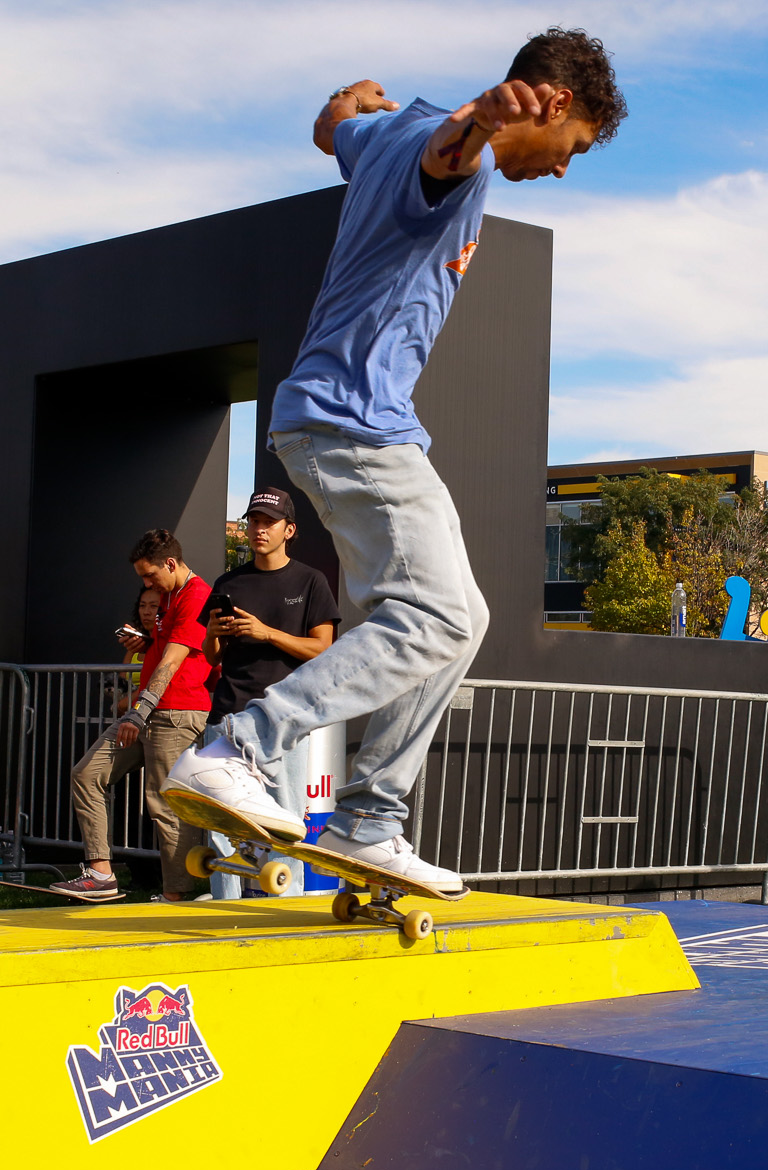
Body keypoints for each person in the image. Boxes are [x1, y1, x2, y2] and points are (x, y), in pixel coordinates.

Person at [160, 29, 623, 893]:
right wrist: (483, 119)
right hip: (357, 423)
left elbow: (331, 125)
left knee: (455, 619)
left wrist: (350, 102)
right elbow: (448, 158)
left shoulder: (384, 132)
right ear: (554, 104)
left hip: (345, 423)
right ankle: (236, 748)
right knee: (443, 616)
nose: (563, 168)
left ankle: (373, 822)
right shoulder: (460, 155)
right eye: (575, 148)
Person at [189, 489, 340, 896]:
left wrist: (267, 633)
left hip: (284, 720)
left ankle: (282, 911)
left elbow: (323, 649)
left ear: (288, 530)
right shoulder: (228, 582)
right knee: (223, 820)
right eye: (254, 521)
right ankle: (225, 910)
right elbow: (211, 654)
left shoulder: (310, 581)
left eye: (268, 522)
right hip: (228, 717)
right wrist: (215, 635)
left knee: (285, 819)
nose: (258, 529)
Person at [57, 530, 215, 901]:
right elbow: (167, 649)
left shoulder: (196, 596)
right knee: (87, 773)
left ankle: (179, 894)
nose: (146, 585)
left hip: (176, 711)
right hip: (151, 710)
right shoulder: (170, 595)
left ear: (171, 564)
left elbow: (174, 661)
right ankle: (100, 875)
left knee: (165, 803)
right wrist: (147, 643)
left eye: (150, 576)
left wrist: (137, 713)